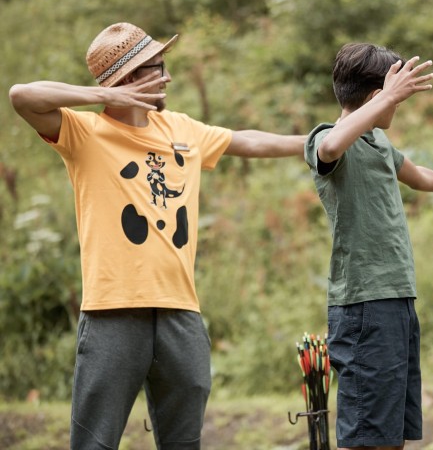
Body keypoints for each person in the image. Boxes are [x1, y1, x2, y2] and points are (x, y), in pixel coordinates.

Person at [8, 22, 306, 449]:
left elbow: (251, 141)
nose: (167, 77)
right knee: (95, 441)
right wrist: (105, 97)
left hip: (180, 311)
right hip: (112, 313)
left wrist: (319, 139)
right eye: (157, 67)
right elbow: (21, 95)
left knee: (184, 442)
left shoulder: (182, 128)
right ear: (129, 79)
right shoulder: (83, 133)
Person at [304, 43, 433, 450]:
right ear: (377, 97)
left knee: (390, 434)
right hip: (363, 306)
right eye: (393, 99)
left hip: (395, 301)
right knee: (367, 437)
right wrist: (389, 96)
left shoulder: (378, 143)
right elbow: (330, 148)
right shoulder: (327, 138)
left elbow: (417, 176)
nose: (397, 108)